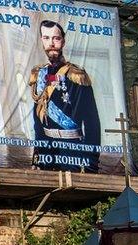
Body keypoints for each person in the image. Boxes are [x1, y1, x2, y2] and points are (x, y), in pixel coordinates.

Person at [30, 20, 101, 172]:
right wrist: (37, 154)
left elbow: (91, 121)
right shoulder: (39, 74)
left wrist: (91, 160)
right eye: (46, 38)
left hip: (72, 149)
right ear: (42, 40)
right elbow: (38, 120)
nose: (51, 43)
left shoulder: (77, 76)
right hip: (47, 150)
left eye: (56, 38)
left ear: (63, 41)